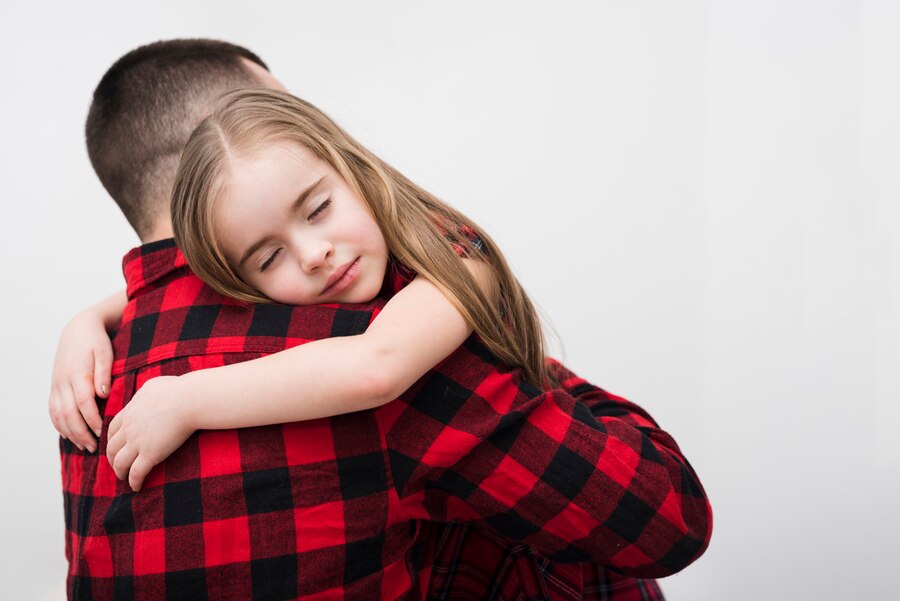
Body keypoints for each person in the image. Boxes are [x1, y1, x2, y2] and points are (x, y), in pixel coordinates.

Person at [53, 39, 707, 599]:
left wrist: (108, 329)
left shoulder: (96, 382)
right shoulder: (351, 339)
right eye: (283, 109)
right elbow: (667, 516)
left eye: (316, 204)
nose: (315, 254)